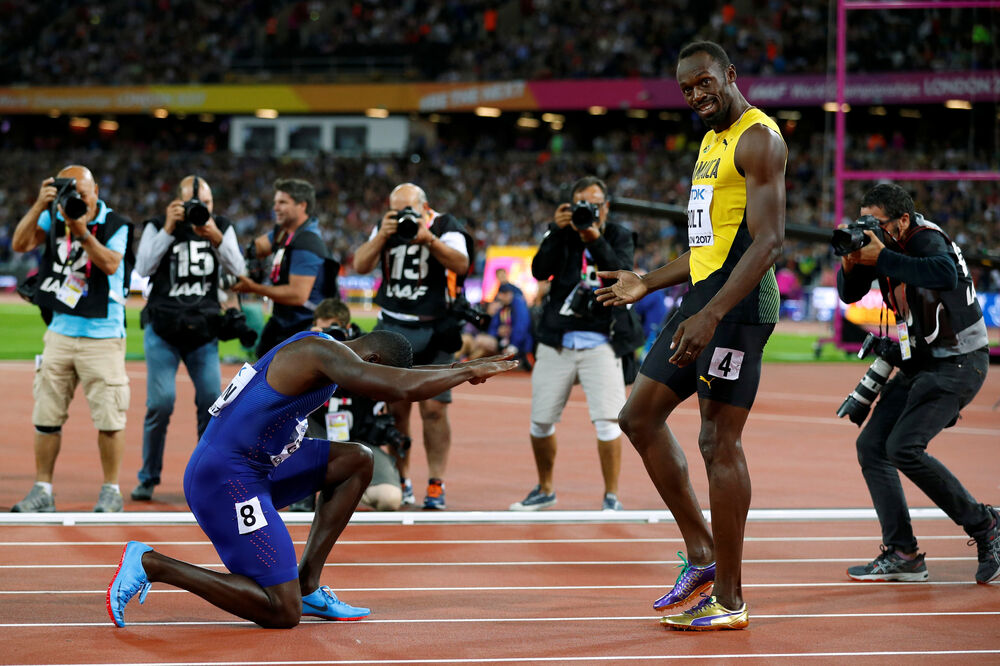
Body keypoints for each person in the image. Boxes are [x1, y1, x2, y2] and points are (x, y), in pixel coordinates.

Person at [106, 330, 518, 628]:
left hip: (258, 466)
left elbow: (398, 379)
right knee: (282, 612)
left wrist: (453, 368)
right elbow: (401, 387)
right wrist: (464, 371)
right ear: (371, 362)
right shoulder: (319, 352)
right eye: (376, 378)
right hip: (226, 480)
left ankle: (308, 584)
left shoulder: (333, 354)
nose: (375, 392)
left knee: (356, 459)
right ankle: (152, 563)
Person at [596, 41, 787, 630]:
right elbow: (709, 246)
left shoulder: (760, 138)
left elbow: (769, 242)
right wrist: (648, 283)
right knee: (637, 418)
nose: (698, 96)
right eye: (687, 89)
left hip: (740, 304)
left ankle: (730, 599)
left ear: (730, 75)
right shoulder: (710, 142)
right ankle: (702, 554)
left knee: (716, 442)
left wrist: (710, 315)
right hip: (704, 299)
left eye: (705, 83)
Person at [837, 183, 998, 585]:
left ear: (903, 220)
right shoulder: (884, 245)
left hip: (960, 362)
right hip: (922, 363)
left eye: (876, 222)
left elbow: (943, 273)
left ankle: (987, 527)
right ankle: (903, 553)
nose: (870, 229)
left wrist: (882, 255)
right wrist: (851, 260)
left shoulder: (925, 238)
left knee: (903, 447)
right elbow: (849, 294)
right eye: (864, 221)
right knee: (872, 446)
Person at [510, 175, 641, 513]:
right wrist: (556, 230)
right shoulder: (560, 234)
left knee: (609, 421)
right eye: (582, 204)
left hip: (603, 340)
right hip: (557, 341)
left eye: (595, 204)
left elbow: (622, 273)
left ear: (606, 207)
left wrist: (593, 235)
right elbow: (539, 271)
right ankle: (545, 488)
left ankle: (611, 496)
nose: (589, 210)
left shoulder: (620, 234)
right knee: (540, 420)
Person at [10, 165, 134, 512]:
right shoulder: (54, 215)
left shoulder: (116, 224)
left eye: (84, 191)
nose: (78, 198)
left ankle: (111, 491)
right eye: (70, 191)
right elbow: (21, 243)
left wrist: (80, 230)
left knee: (110, 418)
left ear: (97, 190)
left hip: (103, 334)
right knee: (46, 415)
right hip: (60, 331)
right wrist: (39, 205)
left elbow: (111, 264)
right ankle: (42, 490)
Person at [352, 183, 473, 510]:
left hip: (434, 326)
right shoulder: (385, 226)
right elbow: (360, 265)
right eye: (396, 210)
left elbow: (461, 264)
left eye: (409, 210)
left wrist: (428, 239)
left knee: (434, 409)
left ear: (425, 206)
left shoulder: (445, 226)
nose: (403, 216)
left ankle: (436, 483)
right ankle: (402, 478)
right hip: (392, 326)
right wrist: (381, 236)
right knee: (396, 410)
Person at [131, 175, 247, 502]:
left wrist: (217, 237)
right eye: (193, 203)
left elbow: (239, 270)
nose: (200, 209)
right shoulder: (159, 225)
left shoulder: (221, 227)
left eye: (206, 204)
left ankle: (205, 478)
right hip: (163, 329)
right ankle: (148, 477)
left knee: (213, 402)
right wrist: (169, 228)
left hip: (203, 331)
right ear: (177, 204)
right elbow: (142, 268)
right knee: (160, 402)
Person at [289, 298, 405, 512]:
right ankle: (300, 487)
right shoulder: (303, 351)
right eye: (322, 330)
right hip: (316, 437)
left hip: (357, 440)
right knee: (290, 425)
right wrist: (309, 345)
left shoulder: (368, 355)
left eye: (334, 330)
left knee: (389, 499)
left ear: (348, 329)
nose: (330, 337)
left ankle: (344, 486)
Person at [233, 178, 335, 358]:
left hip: (303, 326)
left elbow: (298, 295)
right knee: (261, 364)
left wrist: (252, 287)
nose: (275, 208)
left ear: (302, 205)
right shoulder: (284, 233)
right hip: (282, 321)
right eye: (275, 202)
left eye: (282, 202)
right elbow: (255, 248)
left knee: (282, 380)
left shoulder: (307, 242)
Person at [465, 284, 533, 362]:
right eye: (503, 294)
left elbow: (521, 326)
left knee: (481, 342)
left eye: (507, 293)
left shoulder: (518, 303)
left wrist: (514, 344)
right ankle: (468, 361)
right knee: (480, 341)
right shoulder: (502, 307)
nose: (505, 296)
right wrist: (498, 331)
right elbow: (492, 328)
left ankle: (467, 361)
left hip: (519, 343)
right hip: (503, 342)